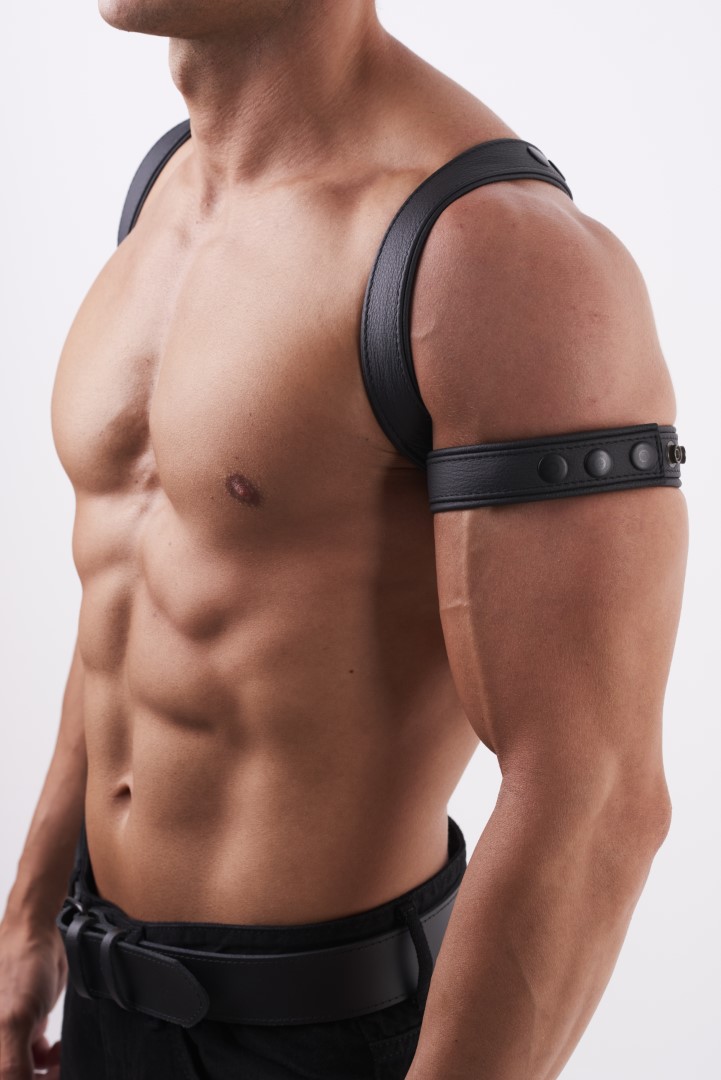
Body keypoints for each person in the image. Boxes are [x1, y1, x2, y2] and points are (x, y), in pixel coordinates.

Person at [0, 2, 688, 1078]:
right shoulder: (168, 191)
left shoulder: (491, 254)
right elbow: (134, 601)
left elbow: (594, 798)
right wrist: (30, 914)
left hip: (322, 1038)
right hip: (100, 999)